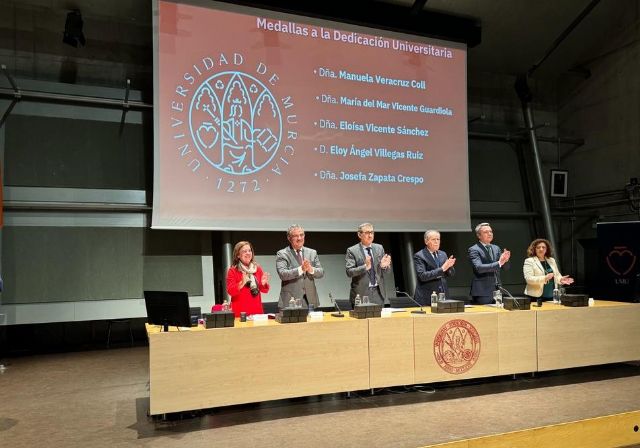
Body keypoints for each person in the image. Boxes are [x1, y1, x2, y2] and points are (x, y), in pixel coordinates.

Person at [276, 224, 324, 309]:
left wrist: (311, 269)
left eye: (301, 235)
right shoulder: (282, 254)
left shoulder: (312, 252)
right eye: (295, 236)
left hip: (310, 300)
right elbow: (282, 274)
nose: (299, 238)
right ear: (289, 238)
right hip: (290, 301)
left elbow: (321, 273)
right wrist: (300, 269)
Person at [345, 222, 391, 306]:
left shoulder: (379, 248)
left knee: (379, 319)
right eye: (367, 233)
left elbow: (386, 272)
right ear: (359, 235)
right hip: (361, 294)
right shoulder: (352, 251)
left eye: (372, 232)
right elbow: (349, 272)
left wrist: (384, 266)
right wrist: (365, 267)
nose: (370, 235)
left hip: (378, 293)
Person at [468, 222, 511, 304]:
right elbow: (479, 268)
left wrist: (506, 260)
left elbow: (506, 268)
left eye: (491, 231)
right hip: (482, 291)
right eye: (486, 232)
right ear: (479, 235)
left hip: (497, 289)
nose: (489, 234)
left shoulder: (496, 248)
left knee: (498, 313)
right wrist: (499, 262)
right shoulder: (474, 249)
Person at [224, 241, 270, 317]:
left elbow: (264, 290)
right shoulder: (233, 270)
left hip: (256, 311)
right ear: (238, 255)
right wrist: (242, 283)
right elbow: (230, 291)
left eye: (249, 250)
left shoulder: (257, 268)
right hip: (240, 312)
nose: (248, 253)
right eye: (244, 251)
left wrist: (263, 283)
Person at [413, 230, 456, 305]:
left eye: (438, 239)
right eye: (433, 239)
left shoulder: (443, 254)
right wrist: (442, 269)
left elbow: (450, 274)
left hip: (443, 295)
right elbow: (422, 276)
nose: (436, 242)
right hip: (426, 296)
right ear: (426, 241)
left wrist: (450, 267)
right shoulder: (419, 256)